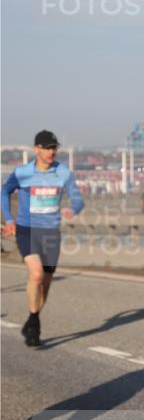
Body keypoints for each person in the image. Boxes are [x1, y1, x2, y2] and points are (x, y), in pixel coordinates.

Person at [2, 130, 84, 346]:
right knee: (36, 274)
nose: (51, 152)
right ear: (36, 149)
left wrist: (73, 209)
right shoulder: (22, 172)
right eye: (47, 148)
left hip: (50, 232)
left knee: (45, 284)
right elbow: (4, 192)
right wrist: (9, 219)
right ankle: (34, 325)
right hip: (27, 229)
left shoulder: (63, 173)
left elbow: (78, 199)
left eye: (54, 148)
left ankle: (33, 318)